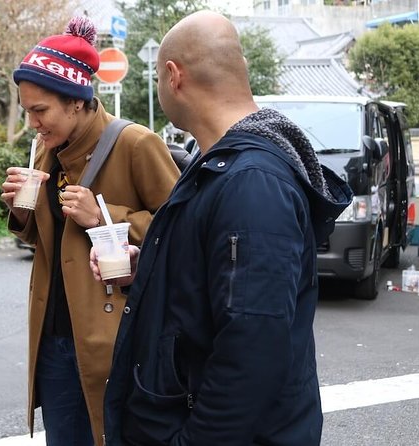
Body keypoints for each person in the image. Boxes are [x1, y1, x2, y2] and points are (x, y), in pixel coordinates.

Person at [91, 11, 353, 445]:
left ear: (173, 76)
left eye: (158, 77)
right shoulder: (221, 166)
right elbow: (222, 290)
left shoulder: (252, 183)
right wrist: (151, 270)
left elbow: (253, 350)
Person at [1, 17, 180, 446]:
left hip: (117, 340)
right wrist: (22, 212)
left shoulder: (136, 144)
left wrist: (105, 218)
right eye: (27, 110)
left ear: (77, 102)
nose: (33, 124)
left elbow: (181, 230)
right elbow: (50, 246)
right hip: (54, 337)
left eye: (40, 110)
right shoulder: (47, 151)